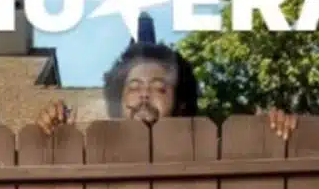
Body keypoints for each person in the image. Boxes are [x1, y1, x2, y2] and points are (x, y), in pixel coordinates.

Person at [36, 39, 298, 140]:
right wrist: (50, 138)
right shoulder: (92, 154)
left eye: (158, 88)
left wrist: (275, 130)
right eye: (134, 87)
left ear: (180, 101)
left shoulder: (211, 152)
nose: (144, 95)